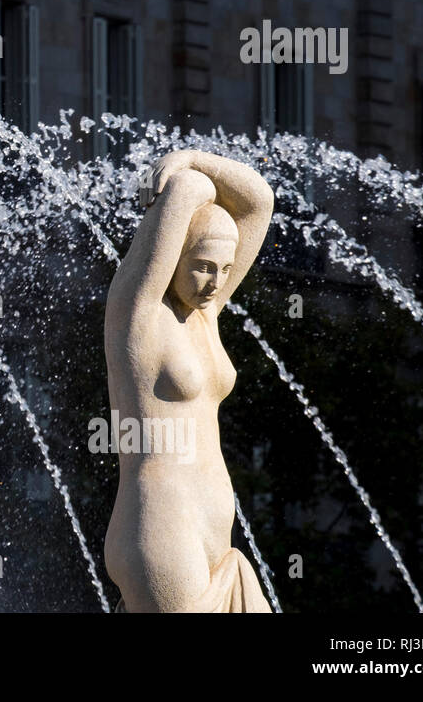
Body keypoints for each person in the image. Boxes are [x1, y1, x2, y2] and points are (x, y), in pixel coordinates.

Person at [103, 149, 274, 612]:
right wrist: (183, 172)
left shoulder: (206, 315)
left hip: (214, 531)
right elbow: (187, 189)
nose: (216, 281)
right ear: (174, 252)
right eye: (202, 265)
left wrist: (194, 155)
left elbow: (258, 201)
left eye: (224, 267)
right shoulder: (136, 316)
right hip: (160, 524)